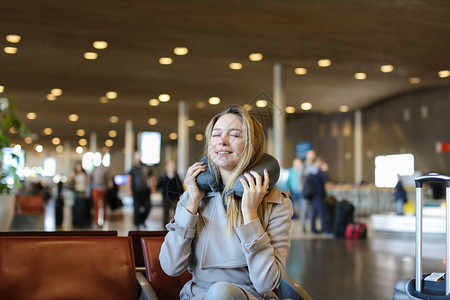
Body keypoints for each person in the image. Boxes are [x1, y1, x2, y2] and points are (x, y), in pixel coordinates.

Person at [159, 105, 293, 300]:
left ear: (252, 145)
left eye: (235, 135)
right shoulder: (193, 196)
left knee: (221, 293)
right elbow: (171, 267)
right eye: (216, 135)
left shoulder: (275, 203)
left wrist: (250, 216)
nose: (221, 142)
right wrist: (191, 206)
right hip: (197, 296)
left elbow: (266, 283)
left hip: (250, 295)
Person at [127, 151, 154, 230]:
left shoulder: (146, 168)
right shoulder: (133, 169)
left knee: (148, 206)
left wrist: (153, 188)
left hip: (146, 191)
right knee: (136, 208)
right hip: (136, 191)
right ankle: (137, 224)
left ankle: (142, 220)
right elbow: (129, 180)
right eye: (137, 156)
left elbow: (152, 178)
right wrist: (129, 190)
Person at [157, 160, 184, 226]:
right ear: (166, 167)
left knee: (176, 212)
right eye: (169, 166)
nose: (171, 167)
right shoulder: (163, 177)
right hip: (165, 197)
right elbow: (159, 186)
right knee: (166, 212)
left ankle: (176, 225)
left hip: (175, 197)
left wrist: (181, 193)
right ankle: (165, 226)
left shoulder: (176, 176)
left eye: (172, 166)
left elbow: (180, 187)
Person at [309, 157, 330, 234]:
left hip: (313, 195)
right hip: (317, 195)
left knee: (314, 212)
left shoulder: (311, 172)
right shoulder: (316, 172)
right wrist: (325, 171)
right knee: (322, 212)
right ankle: (325, 229)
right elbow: (325, 179)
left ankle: (313, 229)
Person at [90, 153, 110, 227]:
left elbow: (108, 179)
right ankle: (97, 221)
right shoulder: (94, 169)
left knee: (104, 206)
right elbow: (90, 178)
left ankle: (104, 220)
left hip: (103, 188)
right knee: (96, 206)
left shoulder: (106, 169)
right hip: (96, 188)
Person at [299, 149, 316, 233]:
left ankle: (311, 227)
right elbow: (299, 177)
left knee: (311, 210)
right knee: (304, 209)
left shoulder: (314, 164)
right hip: (305, 191)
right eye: (311, 155)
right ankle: (303, 226)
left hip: (313, 191)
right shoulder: (304, 165)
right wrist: (302, 189)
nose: (313, 156)